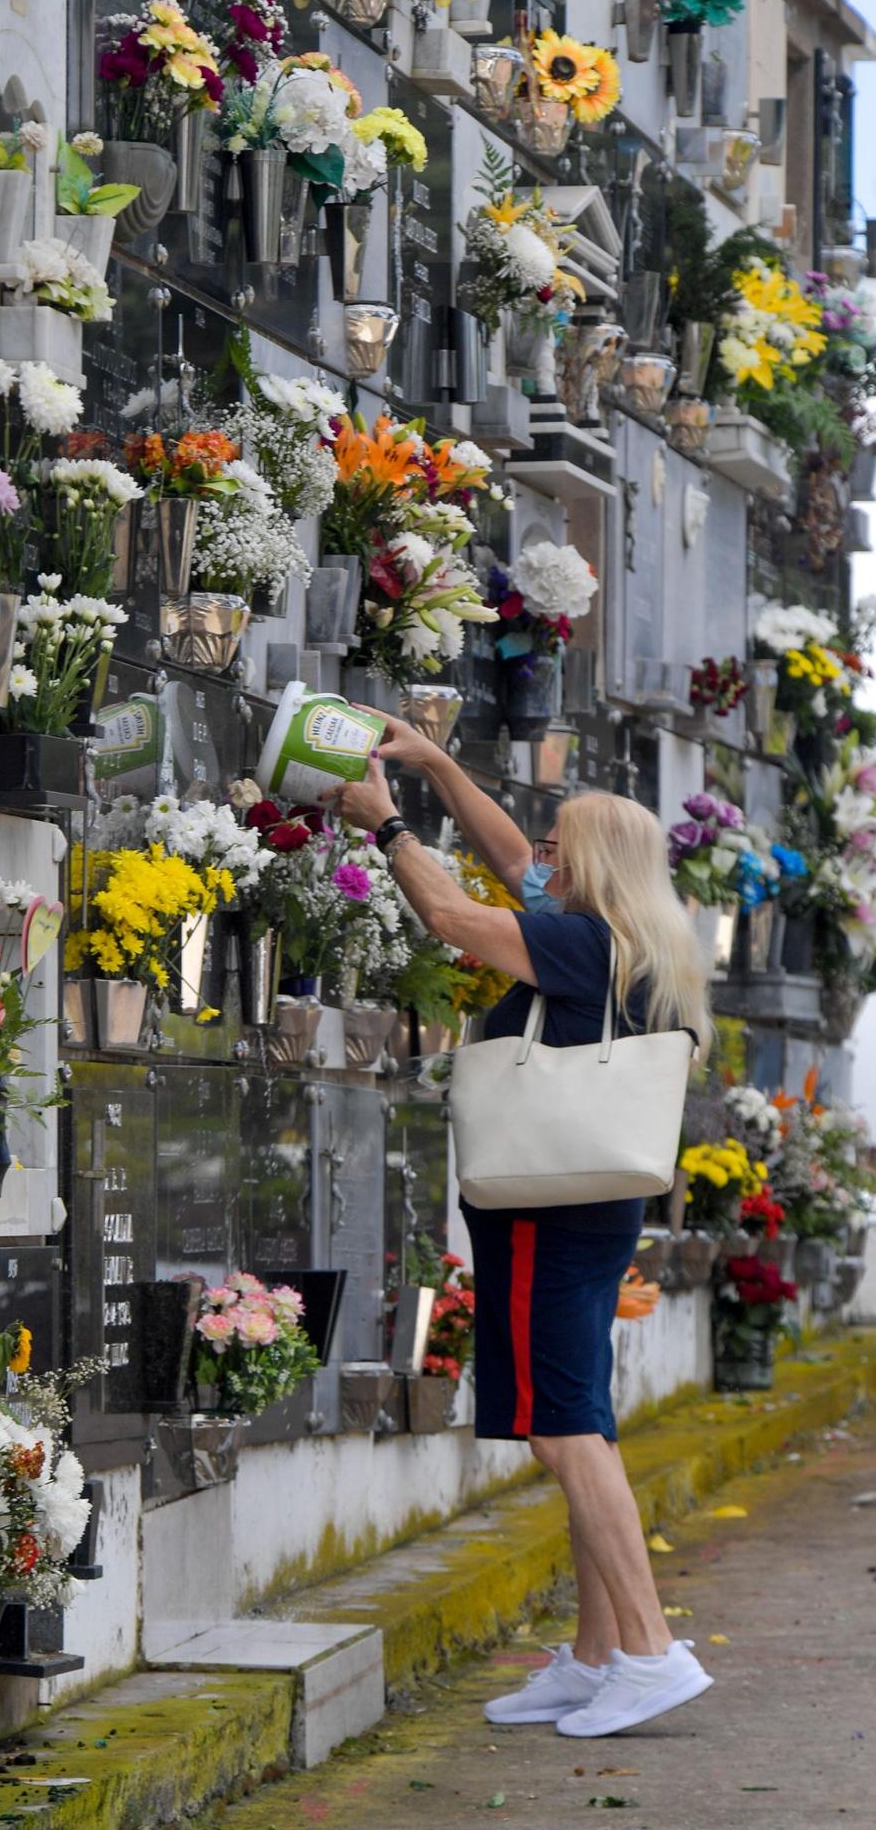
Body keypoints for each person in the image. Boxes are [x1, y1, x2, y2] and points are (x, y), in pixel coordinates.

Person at [323, 711, 715, 1740]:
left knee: (562, 1428)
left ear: (588, 866)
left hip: (546, 1208)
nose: (532, 857)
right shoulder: (619, 937)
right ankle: (595, 1654)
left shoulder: (580, 943)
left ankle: (644, 1647)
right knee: (578, 1418)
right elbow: (499, 859)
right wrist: (443, 764)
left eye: (553, 848)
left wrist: (385, 826)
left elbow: (453, 914)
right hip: (581, 1206)